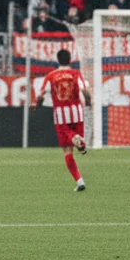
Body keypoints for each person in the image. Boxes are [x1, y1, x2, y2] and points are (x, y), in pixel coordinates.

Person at [33, 49, 92, 191]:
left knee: (67, 150)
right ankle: (79, 142)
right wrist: (89, 102)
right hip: (77, 111)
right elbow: (84, 90)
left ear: (58, 60)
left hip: (61, 114)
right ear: (70, 60)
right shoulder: (76, 74)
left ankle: (79, 181)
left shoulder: (51, 76)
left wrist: (38, 104)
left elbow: (40, 95)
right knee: (78, 144)